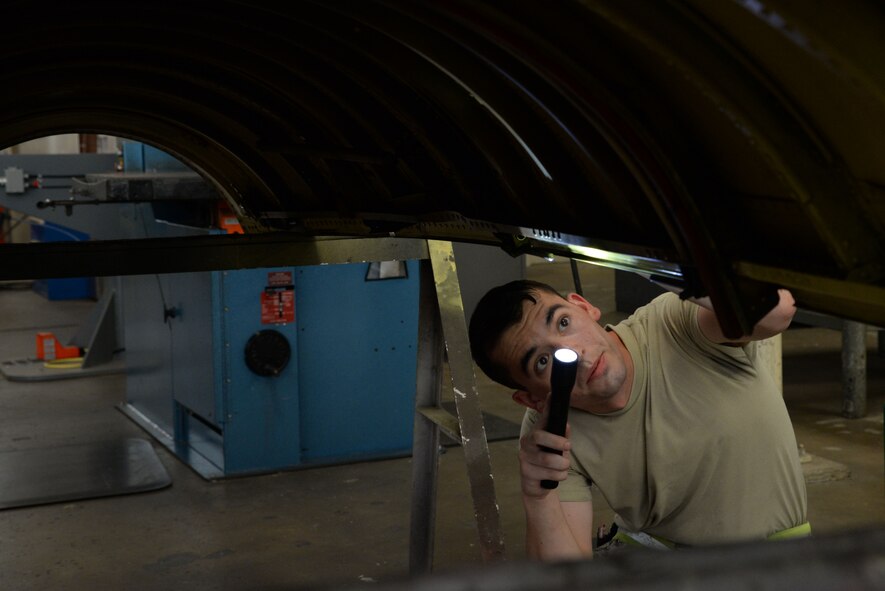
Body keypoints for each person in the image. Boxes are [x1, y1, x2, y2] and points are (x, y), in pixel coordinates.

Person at [468, 279, 808, 560]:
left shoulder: (672, 323)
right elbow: (565, 580)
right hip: (656, 558)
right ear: (531, 398)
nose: (578, 356)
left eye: (564, 323)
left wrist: (696, 280)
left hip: (775, 557)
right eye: (542, 362)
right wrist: (537, 497)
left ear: (584, 306)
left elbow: (779, 312)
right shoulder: (550, 432)